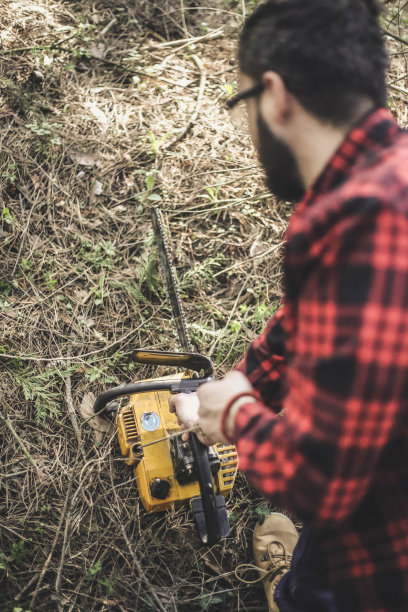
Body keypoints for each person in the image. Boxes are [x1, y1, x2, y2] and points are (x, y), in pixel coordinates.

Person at [169, 1, 408, 610]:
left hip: (386, 564)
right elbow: (319, 325)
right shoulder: (382, 180)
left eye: (241, 105)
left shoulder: (366, 224)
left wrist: (238, 415)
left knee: (321, 587)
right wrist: (242, 379)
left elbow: (320, 483)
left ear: (272, 95)